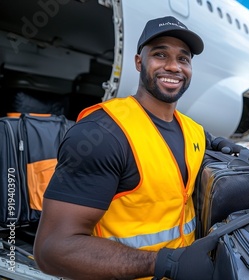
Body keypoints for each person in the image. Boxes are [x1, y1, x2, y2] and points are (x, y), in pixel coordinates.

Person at [34, 16, 236, 280]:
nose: (173, 66)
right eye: (160, 54)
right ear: (139, 62)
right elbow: (53, 250)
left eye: (183, 59)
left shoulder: (192, 130)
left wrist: (230, 148)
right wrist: (167, 263)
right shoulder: (102, 134)